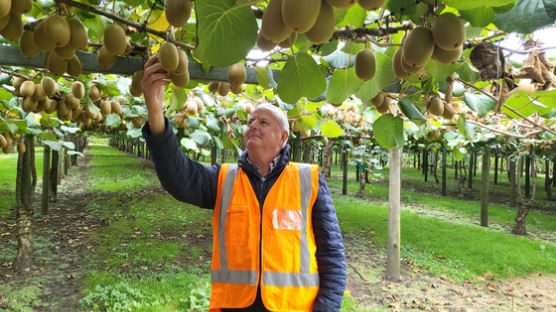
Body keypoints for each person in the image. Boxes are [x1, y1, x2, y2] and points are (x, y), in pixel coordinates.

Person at [141, 55, 346, 311]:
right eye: (250, 122)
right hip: (235, 305)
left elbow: (333, 256)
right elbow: (179, 178)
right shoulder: (225, 179)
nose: (253, 126)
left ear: (283, 137)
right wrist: (155, 110)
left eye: (263, 122)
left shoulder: (308, 179)